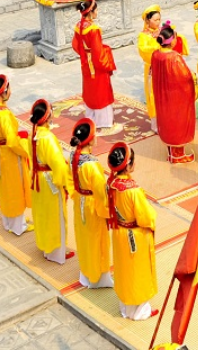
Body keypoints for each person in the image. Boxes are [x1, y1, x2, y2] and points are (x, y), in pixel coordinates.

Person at [106, 142, 158, 320]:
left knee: (123, 270)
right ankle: (139, 311)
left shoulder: (111, 183)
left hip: (119, 231)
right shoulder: (132, 190)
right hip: (133, 236)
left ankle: (125, 308)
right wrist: (151, 220)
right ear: (128, 166)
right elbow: (146, 216)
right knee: (137, 272)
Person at [70, 119, 114, 288]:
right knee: (98, 240)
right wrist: (108, 211)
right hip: (91, 205)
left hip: (80, 201)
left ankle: (86, 272)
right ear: (90, 140)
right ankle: (98, 277)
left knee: (84, 239)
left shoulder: (74, 157)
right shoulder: (92, 165)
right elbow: (101, 192)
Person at [0, 75, 32, 236]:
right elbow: (12, 141)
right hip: (9, 154)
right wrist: (25, 148)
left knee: (4, 186)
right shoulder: (3, 115)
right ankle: (18, 225)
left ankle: (8, 222)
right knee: (14, 187)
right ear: (4, 93)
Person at [29, 98, 73, 264]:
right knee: (55, 217)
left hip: (37, 179)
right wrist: (64, 183)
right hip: (49, 182)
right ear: (47, 117)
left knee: (42, 215)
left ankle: (46, 247)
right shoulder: (47, 138)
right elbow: (58, 165)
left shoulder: (33, 134)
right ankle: (56, 253)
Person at [150, 25, 198, 164]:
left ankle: (171, 152)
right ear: (171, 41)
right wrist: (193, 76)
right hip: (175, 96)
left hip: (162, 94)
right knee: (177, 122)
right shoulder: (174, 57)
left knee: (167, 121)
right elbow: (184, 76)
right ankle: (178, 156)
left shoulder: (155, 54)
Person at [72, 0, 117, 128]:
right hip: (96, 64)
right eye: (96, 10)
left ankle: (91, 117)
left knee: (90, 89)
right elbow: (98, 51)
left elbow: (75, 45)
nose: (97, 12)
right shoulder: (93, 29)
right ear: (91, 12)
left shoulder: (78, 25)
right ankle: (104, 121)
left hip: (86, 62)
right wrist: (107, 65)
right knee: (101, 91)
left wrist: (84, 54)